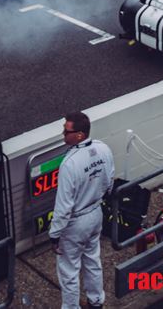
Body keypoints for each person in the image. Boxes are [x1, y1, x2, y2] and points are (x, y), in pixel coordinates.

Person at [49, 111, 115, 309]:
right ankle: (96, 301)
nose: (63, 135)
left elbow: (63, 206)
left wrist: (54, 234)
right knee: (92, 259)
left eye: (66, 131)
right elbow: (110, 181)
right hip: (96, 214)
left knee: (69, 270)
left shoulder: (69, 164)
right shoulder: (103, 149)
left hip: (75, 222)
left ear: (79, 135)